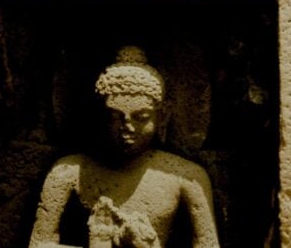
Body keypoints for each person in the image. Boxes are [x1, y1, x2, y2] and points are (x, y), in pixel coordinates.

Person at [28, 47, 220, 248]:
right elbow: (39, 243)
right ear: (99, 115)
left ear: (162, 117)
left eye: (141, 117)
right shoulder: (67, 172)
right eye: (115, 117)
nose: (128, 127)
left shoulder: (188, 177)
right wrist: (101, 242)